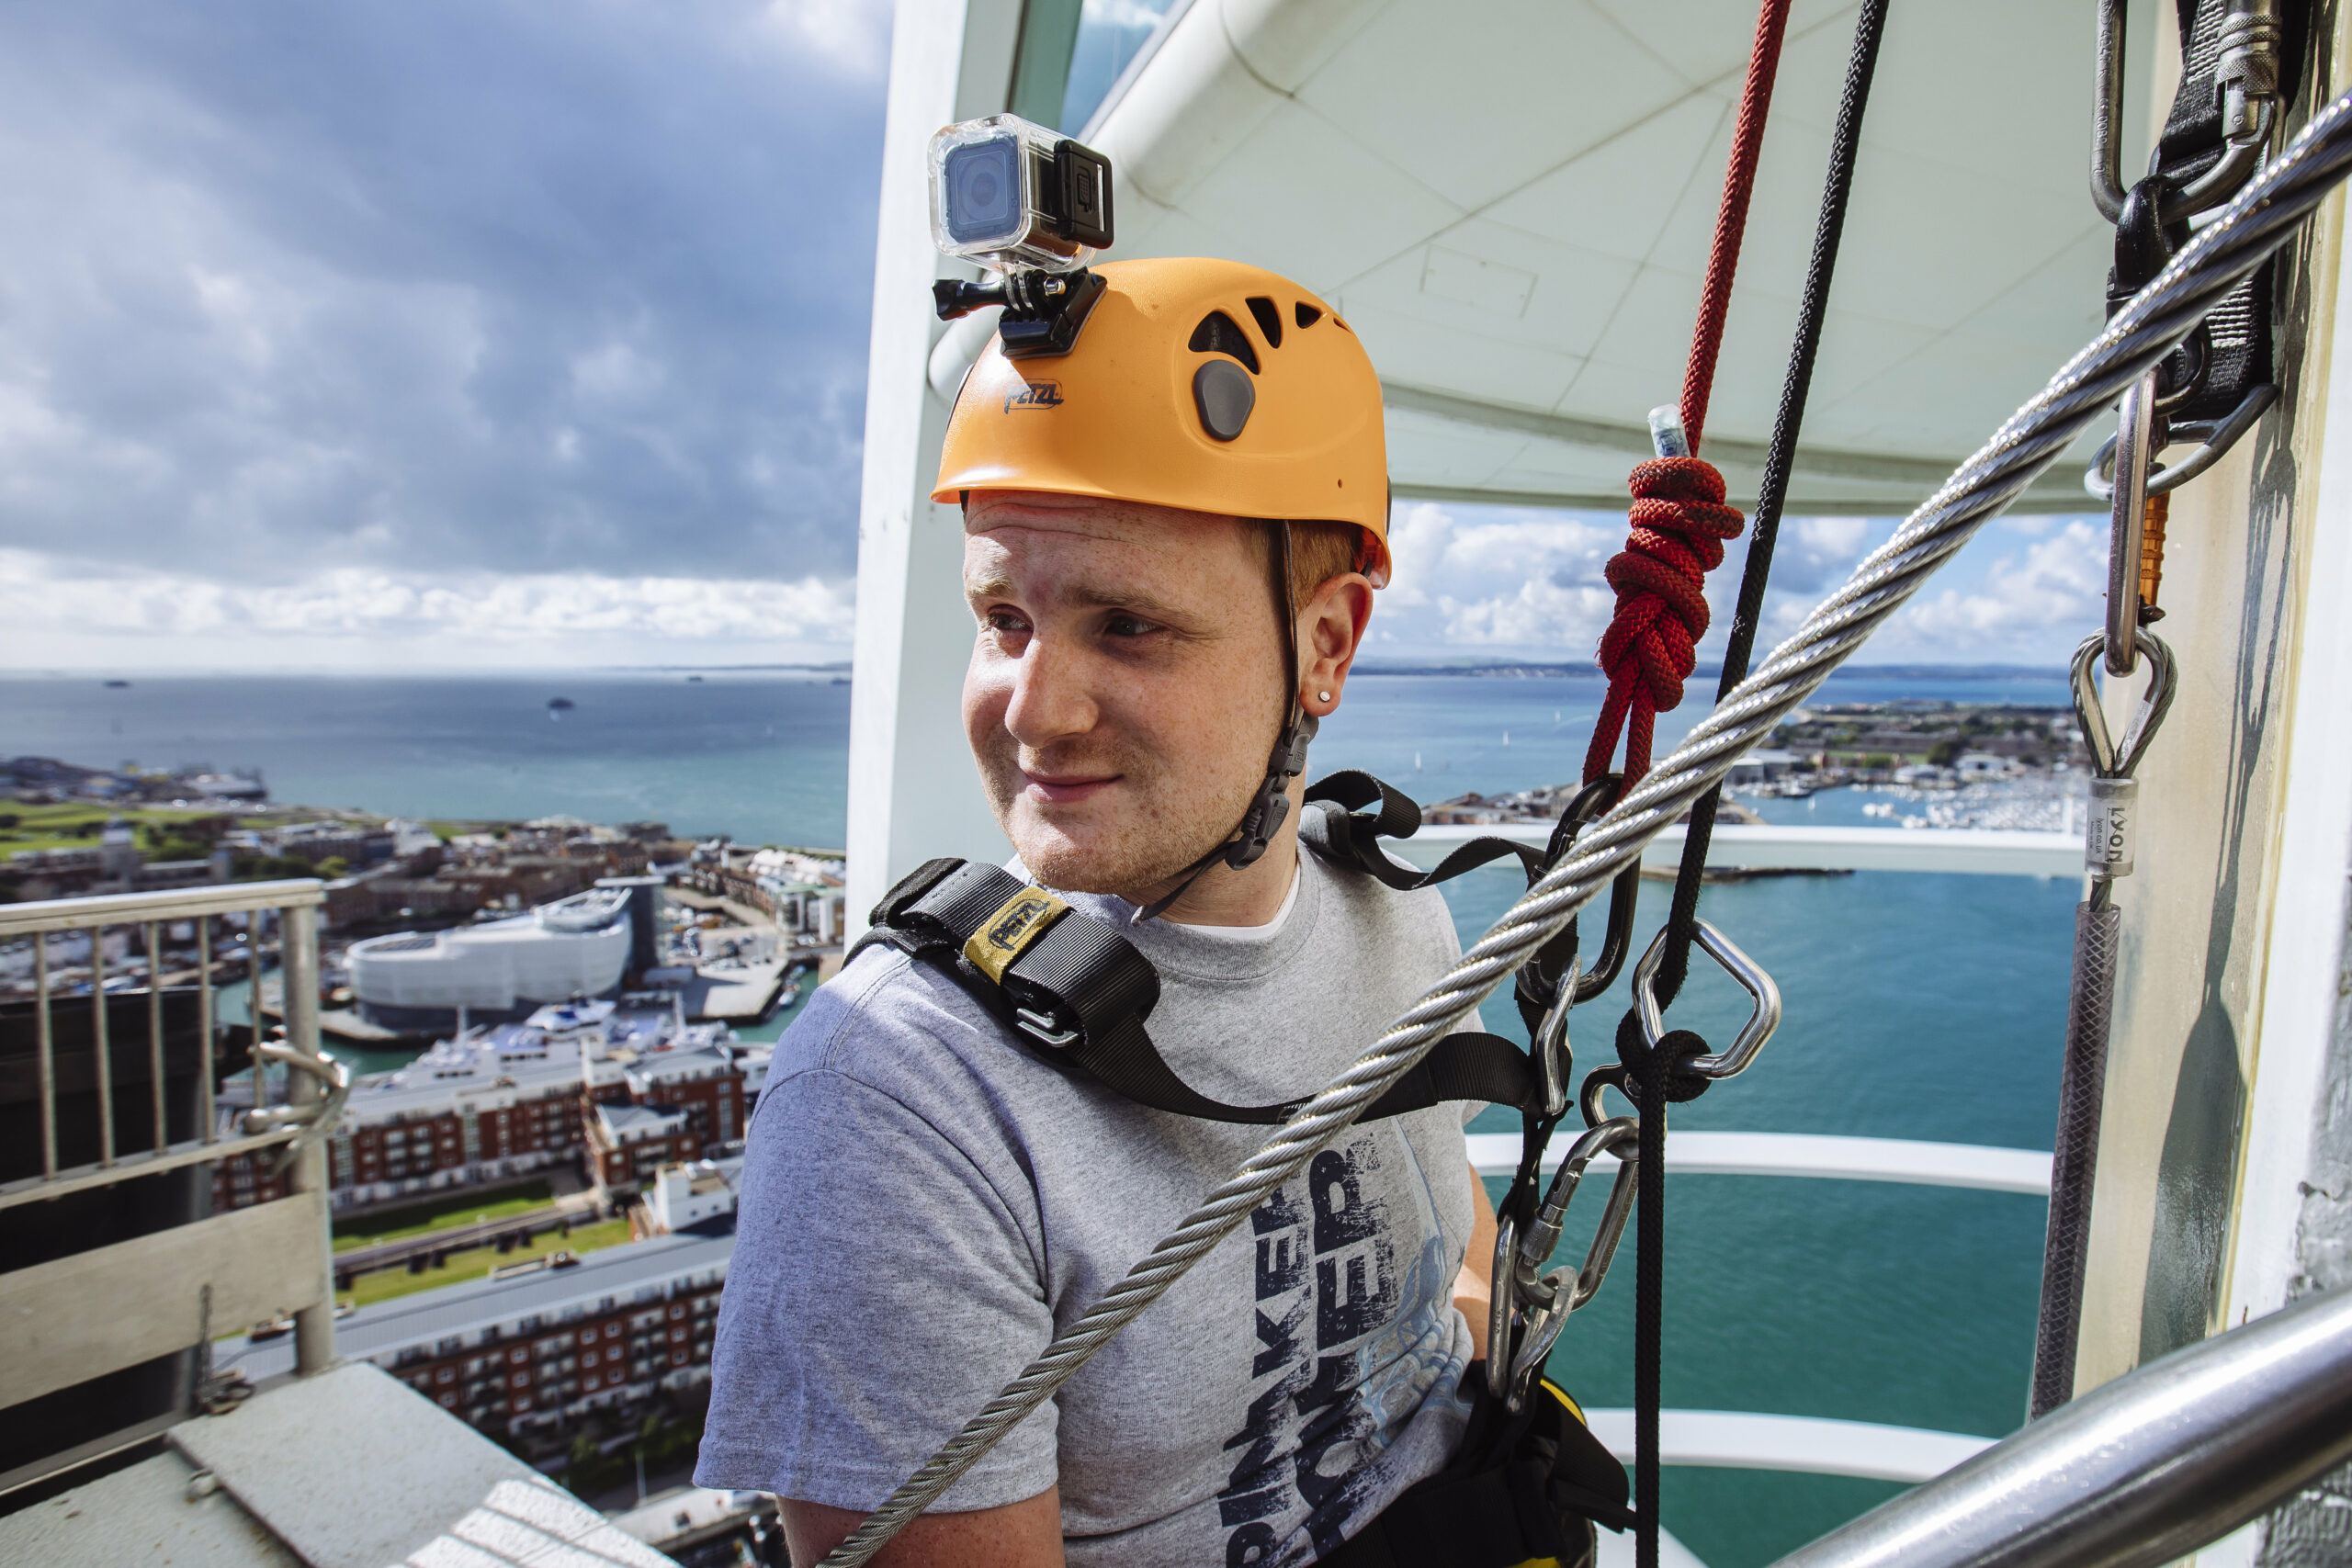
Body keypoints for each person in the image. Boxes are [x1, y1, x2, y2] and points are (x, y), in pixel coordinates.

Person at [695, 257, 1502, 1566]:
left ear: (1329, 647)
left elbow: (1450, 1266)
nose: (1034, 709)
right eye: (1003, 618)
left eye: (1127, 627)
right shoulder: (898, 1099)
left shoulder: (1392, 923)